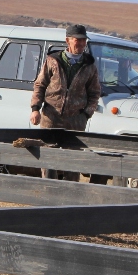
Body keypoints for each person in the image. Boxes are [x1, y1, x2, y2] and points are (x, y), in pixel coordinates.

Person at [31, 25, 102, 179]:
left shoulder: (89, 66)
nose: (82, 44)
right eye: (78, 40)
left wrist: (86, 114)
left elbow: (95, 93)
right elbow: (40, 85)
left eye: (84, 40)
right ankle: (48, 191)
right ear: (68, 41)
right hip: (51, 116)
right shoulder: (53, 60)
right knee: (48, 156)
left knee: (73, 160)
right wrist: (35, 109)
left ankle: (71, 194)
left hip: (76, 120)